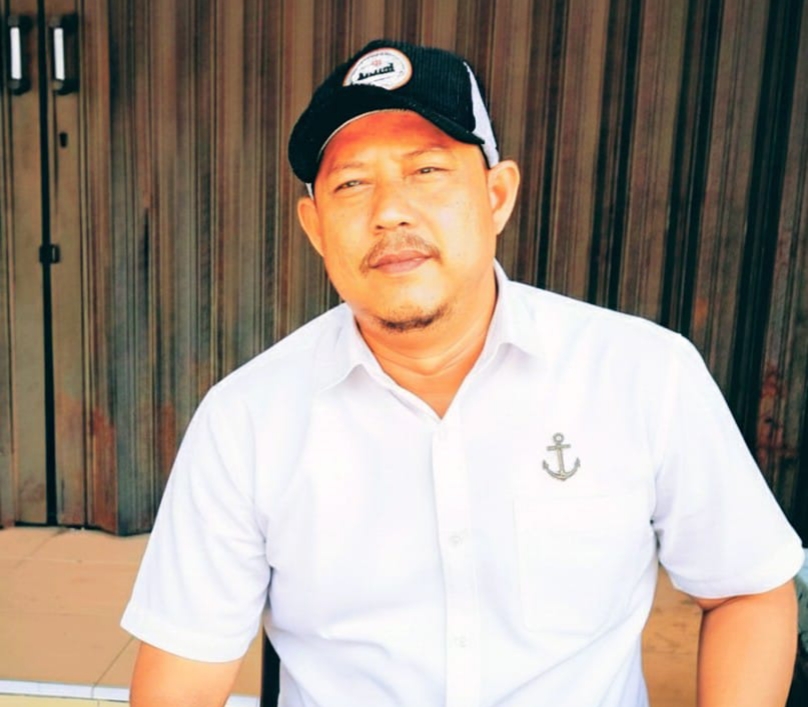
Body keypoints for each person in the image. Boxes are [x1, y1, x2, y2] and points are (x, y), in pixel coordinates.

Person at [122, 39, 803, 707]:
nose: (390, 211)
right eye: (352, 183)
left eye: (427, 170)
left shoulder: (641, 374)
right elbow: (180, 681)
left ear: (497, 195)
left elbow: (747, 588)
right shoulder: (246, 420)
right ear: (316, 228)